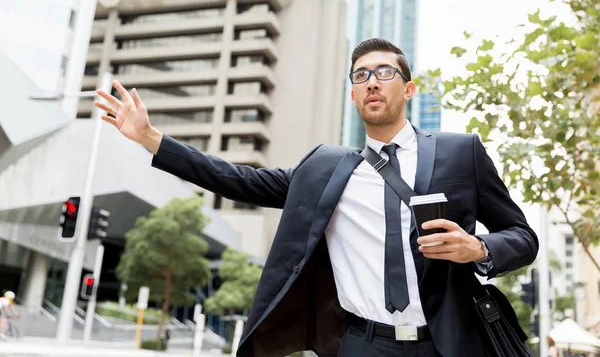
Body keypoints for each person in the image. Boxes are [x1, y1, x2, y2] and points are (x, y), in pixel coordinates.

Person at [95, 38, 538, 357]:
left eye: (385, 72)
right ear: (352, 95)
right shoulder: (325, 168)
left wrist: (478, 248)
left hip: (449, 342)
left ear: (408, 88)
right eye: (361, 75)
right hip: (363, 344)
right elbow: (238, 179)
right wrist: (152, 138)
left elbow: (522, 236)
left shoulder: (462, 152)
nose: (372, 82)